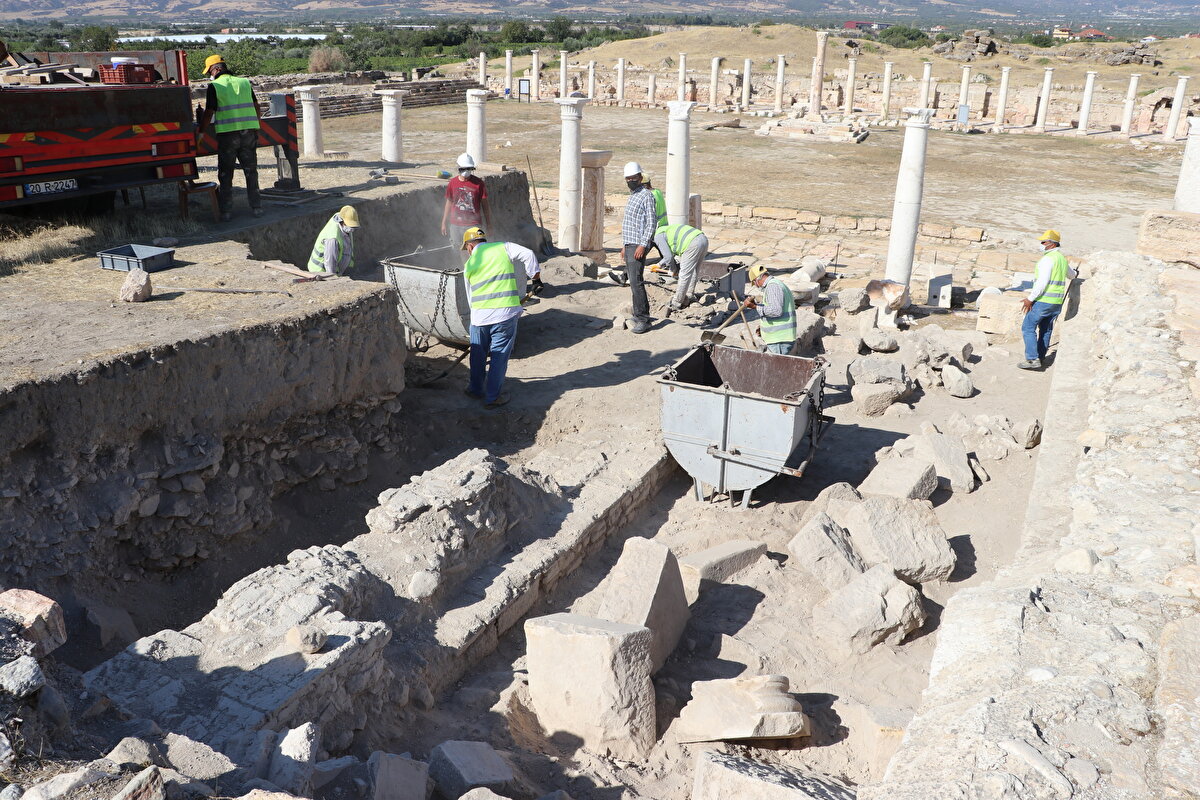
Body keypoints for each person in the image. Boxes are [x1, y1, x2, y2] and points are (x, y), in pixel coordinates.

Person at [461, 226, 540, 408]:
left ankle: (475, 389)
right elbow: (528, 254)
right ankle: (492, 398)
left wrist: (476, 319)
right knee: (499, 355)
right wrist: (535, 279)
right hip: (505, 315)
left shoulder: (469, 265)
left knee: (477, 354)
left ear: (470, 246)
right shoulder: (503, 247)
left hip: (479, 318)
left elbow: (470, 297)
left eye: (466, 249)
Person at [197, 54, 262, 222]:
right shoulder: (244, 82)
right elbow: (256, 106)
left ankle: (226, 211)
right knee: (251, 172)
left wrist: (201, 132)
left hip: (227, 136)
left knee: (226, 174)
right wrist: (256, 126)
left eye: (209, 71)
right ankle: (256, 208)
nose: (209, 75)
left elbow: (209, 112)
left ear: (216, 69)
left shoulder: (215, 86)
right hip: (248, 134)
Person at [1018, 229, 1077, 370]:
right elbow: (1072, 275)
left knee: (1028, 327)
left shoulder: (1047, 260)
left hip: (1043, 301)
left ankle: (1032, 359)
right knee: (1045, 330)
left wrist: (1030, 299)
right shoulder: (1061, 259)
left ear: (1051, 244)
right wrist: (1076, 273)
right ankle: (1041, 357)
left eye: (1043, 242)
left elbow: (1042, 282)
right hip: (1056, 303)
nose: (1041, 244)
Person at [616, 161, 657, 334]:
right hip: (630, 243)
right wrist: (625, 245)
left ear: (640, 177)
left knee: (636, 282)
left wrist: (642, 245)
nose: (631, 181)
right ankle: (638, 313)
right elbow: (630, 223)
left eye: (634, 178)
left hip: (638, 244)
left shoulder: (646, 195)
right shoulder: (633, 195)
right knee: (633, 282)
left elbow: (651, 222)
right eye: (628, 178)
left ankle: (644, 319)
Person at [441, 153, 493, 258]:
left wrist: (489, 224)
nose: (466, 171)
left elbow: (485, 206)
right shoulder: (453, 183)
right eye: (464, 169)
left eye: (469, 169)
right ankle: (461, 269)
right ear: (459, 168)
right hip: (455, 225)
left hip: (473, 225)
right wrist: (443, 222)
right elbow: (449, 202)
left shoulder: (478, 184)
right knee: (457, 249)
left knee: (475, 252)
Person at [744, 265, 796, 355]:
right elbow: (773, 308)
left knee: (777, 367)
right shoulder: (776, 284)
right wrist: (763, 328)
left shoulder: (772, 287)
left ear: (757, 279)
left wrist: (754, 307)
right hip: (779, 338)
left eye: (754, 283)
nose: (756, 286)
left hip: (779, 339)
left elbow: (775, 311)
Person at [658, 222, 709, 313]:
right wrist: (660, 264)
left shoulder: (657, 236)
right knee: (694, 270)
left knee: (684, 274)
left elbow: (668, 257)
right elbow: (669, 255)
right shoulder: (666, 230)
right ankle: (689, 294)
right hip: (703, 239)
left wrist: (673, 270)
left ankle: (676, 303)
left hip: (692, 244)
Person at [307, 205, 360, 274]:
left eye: (354, 227)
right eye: (350, 226)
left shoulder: (341, 218)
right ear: (342, 222)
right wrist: (333, 279)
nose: (352, 229)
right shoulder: (333, 239)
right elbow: (330, 264)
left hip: (337, 268)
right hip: (320, 272)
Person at [642, 174, 676, 278]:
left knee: (639, 254)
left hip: (654, 232)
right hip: (663, 229)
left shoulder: (650, 196)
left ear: (643, 185)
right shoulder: (657, 192)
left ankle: (625, 276)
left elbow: (649, 216)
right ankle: (674, 272)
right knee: (667, 255)